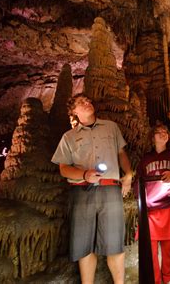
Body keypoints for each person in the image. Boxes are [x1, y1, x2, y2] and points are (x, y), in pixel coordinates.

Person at [51, 93, 133, 284]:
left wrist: (128, 175)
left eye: (88, 100)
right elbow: (63, 168)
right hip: (81, 192)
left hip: (110, 190)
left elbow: (121, 153)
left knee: (114, 243)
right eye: (81, 102)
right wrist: (84, 175)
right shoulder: (69, 137)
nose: (87, 103)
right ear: (74, 112)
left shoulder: (111, 127)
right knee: (83, 245)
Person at [134, 124, 170, 284]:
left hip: (169, 206)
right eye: (158, 132)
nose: (162, 134)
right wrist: (139, 199)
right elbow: (138, 181)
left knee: (169, 250)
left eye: (165, 132)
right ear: (152, 138)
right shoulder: (145, 159)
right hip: (150, 210)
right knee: (149, 250)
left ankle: (168, 280)